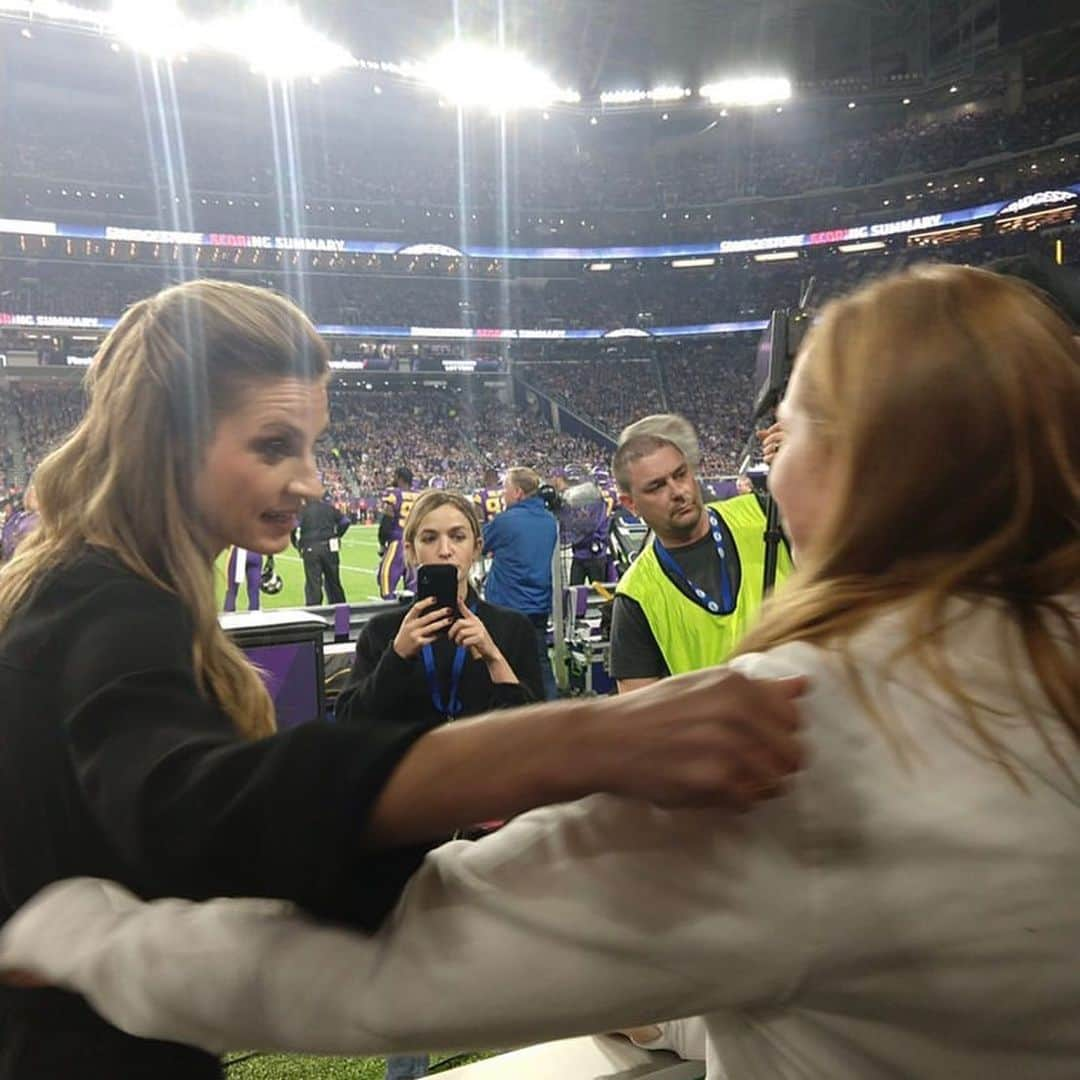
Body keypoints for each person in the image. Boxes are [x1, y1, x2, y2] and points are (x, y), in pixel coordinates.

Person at [9, 264, 1078, 1080]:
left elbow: (389, 969)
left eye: (787, 425)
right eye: (276, 443)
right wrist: (578, 738)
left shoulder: (830, 730)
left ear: (867, 463)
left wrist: (80, 941)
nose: (308, 481)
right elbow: (191, 812)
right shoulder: (107, 604)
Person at [337, 488, 543, 1080]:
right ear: (409, 551)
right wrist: (400, 656)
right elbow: (351, 729)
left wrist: (495, 661)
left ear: (478, 548)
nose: (444, 549)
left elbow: (534, 737)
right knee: (412, 989)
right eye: (429, 538)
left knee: (514, 984)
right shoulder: (382, 634)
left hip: (492, 831)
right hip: (410, 832)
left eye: (456, 536)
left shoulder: (509, 628)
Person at [609, 414, 794, 693]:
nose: (678, 491)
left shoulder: (763, 514)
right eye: (657, 486)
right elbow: (639, 720)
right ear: (630, 504)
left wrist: (809, 463)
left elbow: (854, 540)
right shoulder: (636, 596)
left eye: (680, 474)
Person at [482, 466, 559, 700]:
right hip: (538, 605)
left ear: (517, 492)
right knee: (540, 663)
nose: (502, 494)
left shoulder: (506, 521)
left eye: (505, 488)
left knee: (499, 664)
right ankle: (552, 715)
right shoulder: (549, 520)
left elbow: (479, 544)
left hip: (506, 605)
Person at [293, 492, 350, 604]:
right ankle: (341, 616)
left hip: (310, 547)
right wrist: (337, 535)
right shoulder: (329, 508)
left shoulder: (303, 510)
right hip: (330, 546)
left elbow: (292, 527)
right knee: (334, 582)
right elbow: (345, 522)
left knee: (313, 584)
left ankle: (315, 615)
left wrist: (297, 544)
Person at [0, 483, 39, 564]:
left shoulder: (38, 520)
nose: (30, 498)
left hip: (22, 561)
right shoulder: (19, 515)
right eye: (30, 496)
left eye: (35, 497)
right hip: (8, 558)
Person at [222, 545, 262, 612]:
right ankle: (254, 619)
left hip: (239, 551)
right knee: (254, 592)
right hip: (256, 552)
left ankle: (229, 618)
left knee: (232, 590)